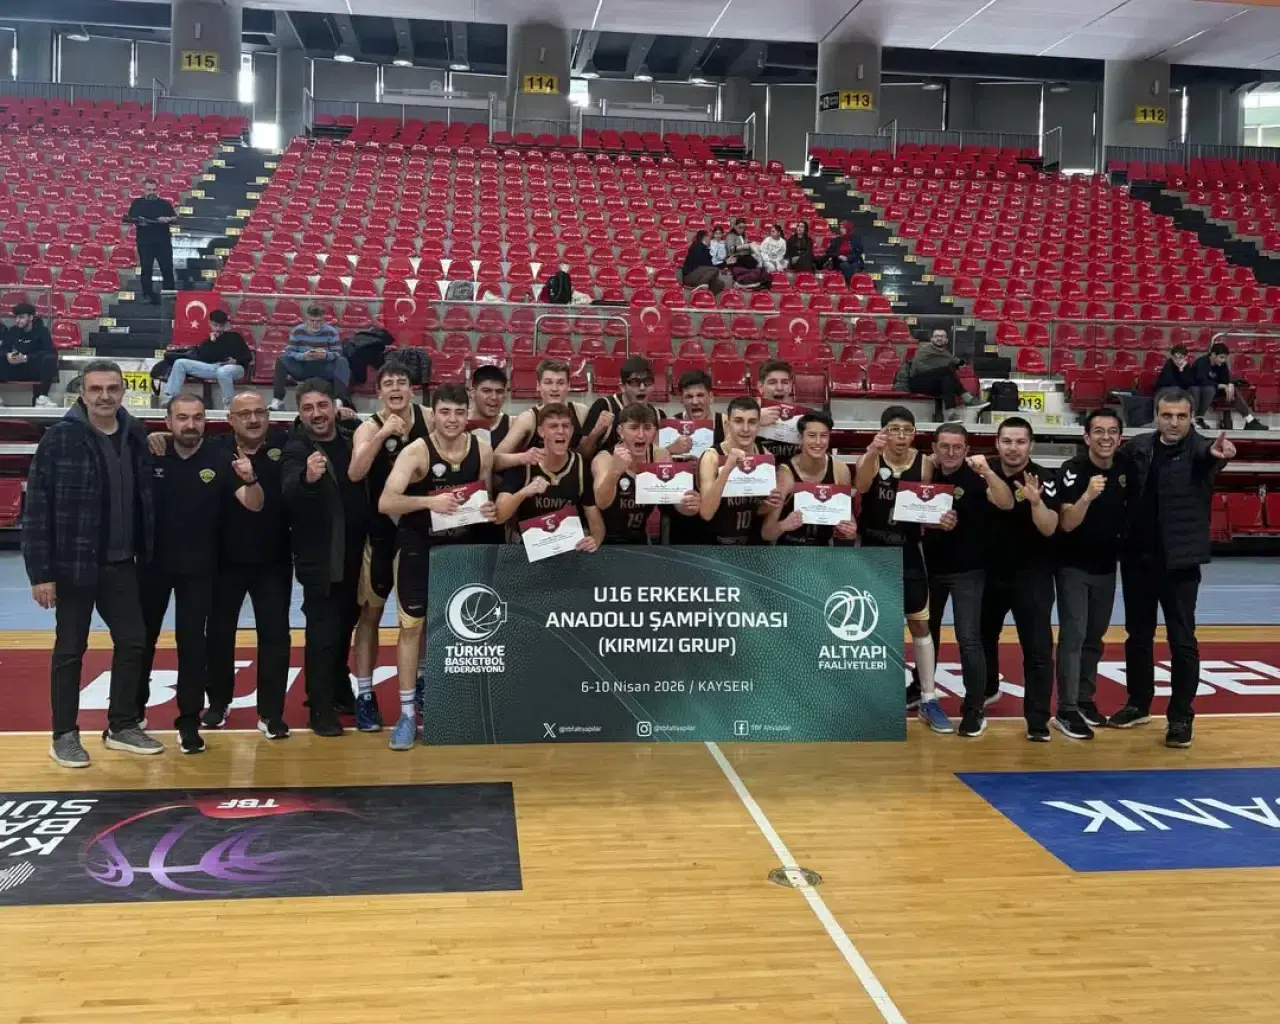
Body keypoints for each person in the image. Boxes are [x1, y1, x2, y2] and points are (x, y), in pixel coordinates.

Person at [22, 360, 162, 768]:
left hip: (122, 565)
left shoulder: (135, 434)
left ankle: (122, 725)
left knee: (134, 643)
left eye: (112, 388)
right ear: (82, 393)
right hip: (73, 566)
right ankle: (64, 735)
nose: (105, 396)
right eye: (96, 389)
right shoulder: (59, 439)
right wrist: (41, 574)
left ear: (123, 391)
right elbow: (37, 509)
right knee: (70, 650)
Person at [1110, 389, 1237, 748]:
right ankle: (1138, 704)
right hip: (1137, 560)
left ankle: (1180, 717)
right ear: (1156, 416)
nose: (1174, 423)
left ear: (1191, 417)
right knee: (1137, 636)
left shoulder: (1200, 449)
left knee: (1182, 640)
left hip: (1180, 562)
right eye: (1167, 415)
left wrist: (1219, 455)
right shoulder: (1139, 447)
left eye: (1181, 416)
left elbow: (1210, 455)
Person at [137, 395, 262, 755]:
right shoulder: (151, 453)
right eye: (182, 418)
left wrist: (252, 480)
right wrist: (148, 437)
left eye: (197, 417)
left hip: (200, 569)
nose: (190, 424)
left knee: (192, 646)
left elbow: (254, 504)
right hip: (152, 566)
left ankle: (189, 722)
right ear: (168, 421)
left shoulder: (221, 457)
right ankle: (131, 713)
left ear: (206, 420)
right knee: (140, 641)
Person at [379, 384, 497, 750]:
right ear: (434, 414)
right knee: (411, 628)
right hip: (418, 547)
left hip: (460, 549)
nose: (452, 420)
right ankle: (406, 715)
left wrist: (490, 509)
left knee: (456, 628)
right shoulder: (417, 451)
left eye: (459, 413)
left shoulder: (483, 449)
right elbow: (386, 502)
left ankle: (447, 703)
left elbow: (485, 500)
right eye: (445, 412)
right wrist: (429, 502)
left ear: (468, 414)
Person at [855, 406, 951, 734]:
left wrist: (940, 518)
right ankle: (875, 697)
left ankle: (928, 697)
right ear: (883, 431)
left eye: (907, 430)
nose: (900, 436)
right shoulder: (871, 457)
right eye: (894, 429)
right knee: (874, 627)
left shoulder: (925, 464)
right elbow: (861, 486)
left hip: (908, 551)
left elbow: (927, 509)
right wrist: (872, 450)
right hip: (872, 552)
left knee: (920, 625)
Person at [201, 393, 293, 739]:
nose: (253, 419)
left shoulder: (286, 444)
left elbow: (322, 428)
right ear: (230, 419)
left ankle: (271, 713)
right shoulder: (216, 449)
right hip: (224, 560)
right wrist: (158, 436)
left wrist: (344, 411)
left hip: (274, 559)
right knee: (219, 634)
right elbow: (178, 442)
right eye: (244, 414)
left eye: (259, 412)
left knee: (275, 636)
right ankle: (218, 702)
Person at [281, 379, 369, 737]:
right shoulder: (296, 448)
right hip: (321, 557)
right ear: (299, 414)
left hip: (356, 553)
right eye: (308, 408)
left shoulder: (351, 436)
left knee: (345, 625)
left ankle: (339, 690)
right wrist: (307, 479)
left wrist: (354, 416)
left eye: (322, 405)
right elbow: (288, 492)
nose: (316, 413)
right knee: (323, 631)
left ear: (335, 406)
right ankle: (319, 709)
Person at [346, 361, 430, 732]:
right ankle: (365, 694)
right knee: (370, 614)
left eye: (402, 382)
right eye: (388, 383)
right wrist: (382, 435)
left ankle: (422, 681)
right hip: (380, 534)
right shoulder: (369, 427)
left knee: (419, 616)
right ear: (378, 391)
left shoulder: (430, 418)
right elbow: (355, 472)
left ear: (411, 388)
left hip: (420, 531)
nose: (395, 388)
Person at [921, 423, 1014, 738]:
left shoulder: (978, 476)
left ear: (966, 449)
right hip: (930, 569)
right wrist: (930, 523)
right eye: (944, 446)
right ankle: (922, 690)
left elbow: (1006, 502)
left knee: (969, 638)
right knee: (925, 634)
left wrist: (988, 471)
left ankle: (975, 706)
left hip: (969, 571)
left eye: (957, 447)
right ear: (934, 448)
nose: (950, 452)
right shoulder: (925, 473)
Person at [980, 416, 1060, 742]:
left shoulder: (1045, 478)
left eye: (1020, 442)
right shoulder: (982, 472)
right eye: (1007, 441)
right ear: (997, 443)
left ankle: (1038, 719)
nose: (1013, 448)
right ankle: (986, 690)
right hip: (988, 573)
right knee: (980, 639)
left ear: (1031, 445)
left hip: (1032, 575)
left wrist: (1036, 501)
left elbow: (1050, 528)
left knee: (1038, 649)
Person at [1051, 409, 1127, 740]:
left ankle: (1084, 699)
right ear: (1086, 437)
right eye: (1098, 431)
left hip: (1107, 567)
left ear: (1120, 438)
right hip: (1072, 566)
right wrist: (1087, 496)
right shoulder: (1073, 470)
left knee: (1094, 638)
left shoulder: (1125, 469)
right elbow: (1067, 523)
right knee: (1074, 636)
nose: (1105, 438)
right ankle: (1066, 709)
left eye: (1111, 432)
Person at [495, 403, 605, 549]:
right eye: (553, 426)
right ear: (541, 431)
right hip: (527, 548)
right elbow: (499, 516)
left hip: (567, 546)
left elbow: (596, 523)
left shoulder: (580, 466)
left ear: (572, 430)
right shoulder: (525, 463)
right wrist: (524, 492)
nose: (561, 431)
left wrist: (595, 539)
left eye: (565, 426)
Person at [594, 403, 691, 545]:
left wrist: (688, 505)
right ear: (620, 431)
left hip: (640, 539)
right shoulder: (604, 458)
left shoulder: (660, 456)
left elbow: (675, 501)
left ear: (654, 431)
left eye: (647, 428)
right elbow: (602, 503)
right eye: (633, 428)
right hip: (604, 540)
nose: (641, 435)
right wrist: (615, 472)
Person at [761, 411, 857, 547]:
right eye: (811, 436)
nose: (818, 442)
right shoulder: (785, 474)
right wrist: (783, 525)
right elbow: (766, 533)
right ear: (801, 438)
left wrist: (850, 531)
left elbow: (850, 530)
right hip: (789, 548)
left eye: (823, 436)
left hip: (823, 549)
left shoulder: (840, 470)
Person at [697, 397, 784, 545]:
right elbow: (706, 513)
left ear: (758, 426)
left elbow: (757, 510)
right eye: (738, 421)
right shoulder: (712, 457)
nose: (745, 428)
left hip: (754, 544)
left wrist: (768, 505)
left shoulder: (766, 456)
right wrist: (727, 468)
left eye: (752, 422)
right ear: (727, 424)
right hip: (716, 544)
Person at [493, 358, 599, 468]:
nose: (554, 388)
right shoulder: (528, 419)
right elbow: (495, 460)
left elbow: (593, 453)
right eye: (548, 382)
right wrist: (522, 457)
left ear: (568, 386)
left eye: (560, 383)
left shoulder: (581, 412)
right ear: (538, 386)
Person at [160, 309, 252, 407]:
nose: (218, 328)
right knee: (180, 363)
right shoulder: (208, 341)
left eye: (221, 326)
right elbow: (204, 357)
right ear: (210, 323)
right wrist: (212, 342)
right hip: (215, 367)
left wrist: (235, 361)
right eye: (215, 325)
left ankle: (230, 405)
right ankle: (170, 398)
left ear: (226, 325)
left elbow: (248, 356)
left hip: (236, 368)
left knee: (223, 371)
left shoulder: (235, 337)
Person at [270, 305, 349, 411]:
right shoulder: (298, 330)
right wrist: (302, 356)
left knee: (342, 361)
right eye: (312, 321)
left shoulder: (331, 331)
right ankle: (277, 400)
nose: (315, 324)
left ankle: (338, 400)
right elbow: (289, 351)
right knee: (281, 360)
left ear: (323, 320)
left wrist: (326, 355)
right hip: (303, 366)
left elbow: (338, 353)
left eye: (318, 321)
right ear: (307, 319)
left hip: (324, 368)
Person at [582, 355, 664, 456]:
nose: (642, 387)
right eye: (635, 382)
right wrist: (596, 432)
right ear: (622, 387)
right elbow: (583, 453)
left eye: (647, 382)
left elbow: (659, 455)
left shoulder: (658, 415)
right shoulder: (604, 406)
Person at [124, 177, 177, 304]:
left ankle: (169, 295)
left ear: (157, 190)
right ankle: (148, 295)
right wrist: (139, 221)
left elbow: (175, 218)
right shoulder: (137, 203)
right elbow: (130, 218)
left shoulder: (164, 203)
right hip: (145, 242)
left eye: (154, 190)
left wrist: (167, 219)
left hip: (163, 242)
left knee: (167, 268)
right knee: (146, 269)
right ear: (144, 190)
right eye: (149, 190)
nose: (151, 192)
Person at [1190, 342, 1267, 430]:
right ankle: (1198, 419)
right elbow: (1201, 381)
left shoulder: (1222, 364)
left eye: (1225, 358)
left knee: (1233, 390)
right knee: (1209, 389)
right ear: (1213, 355)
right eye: (1221, 357)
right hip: (1199, 390)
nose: (1223, 360)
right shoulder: (1201, 363)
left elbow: (1226, 379)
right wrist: (1220, 385)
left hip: (1215, 389)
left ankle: (1250, 420)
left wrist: (1230, 384)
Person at [908, 328, 982, 418]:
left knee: (947, 380)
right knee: (946, 371)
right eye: (936, 336)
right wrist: (938, 369)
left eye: (942, 336)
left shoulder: (945, 353)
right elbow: (917, 367)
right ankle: (966, 397)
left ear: (946, 340)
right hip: (918, 382)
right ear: (932, 339)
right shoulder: (924, 349)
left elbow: (956, 361)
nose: (939, 338)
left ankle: (951, 413)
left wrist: (961, 365)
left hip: (934, 383)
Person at [0, 302, 57, 407]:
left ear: (31, 317)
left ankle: (42, 398)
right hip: (14, 368)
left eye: (21, 317)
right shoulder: (12, 331)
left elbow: (48, 351)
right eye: (16, 317)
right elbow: (3, 349)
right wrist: (7, 356)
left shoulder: (42, 331)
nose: (18, 320)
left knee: (50, 357)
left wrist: (26, 358)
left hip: (33, 370)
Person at [755, 359, 801, 463]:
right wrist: (755, 421)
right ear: (761, 387)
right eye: (772, 382)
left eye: (785, 382)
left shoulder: (801, 417)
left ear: (790, 386)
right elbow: (728, 448)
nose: (779, 388)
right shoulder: (745, 414)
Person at [466, 364, 512, 449]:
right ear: (473, 393)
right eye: (486, 391)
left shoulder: (513, 425)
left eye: (499, 392)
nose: (494, 397)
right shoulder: (458, 422)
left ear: (505, 395)